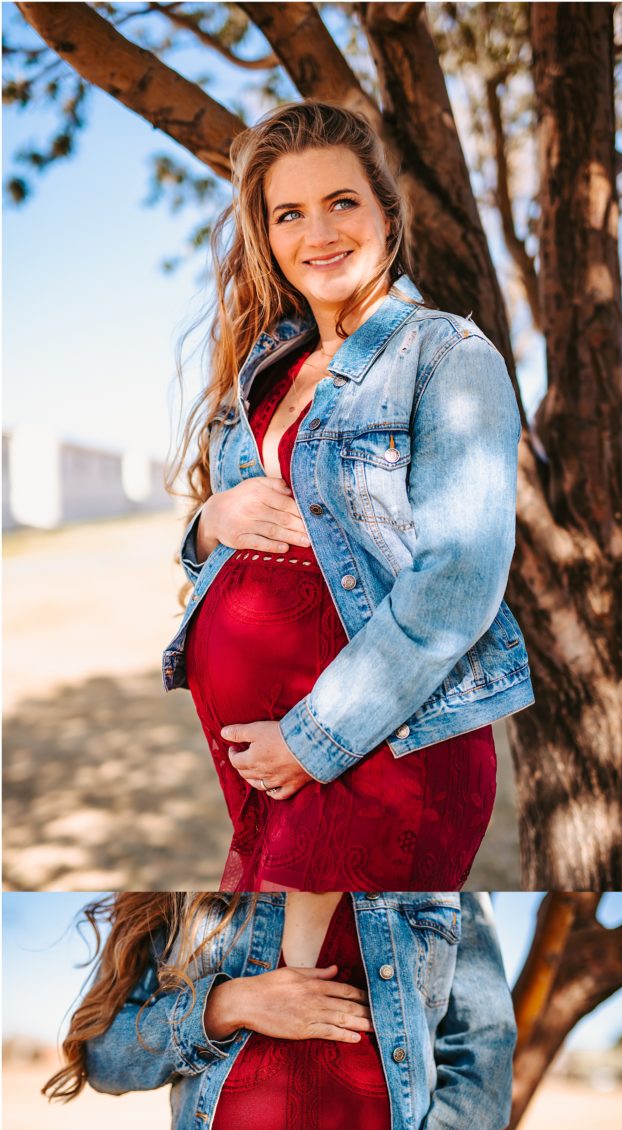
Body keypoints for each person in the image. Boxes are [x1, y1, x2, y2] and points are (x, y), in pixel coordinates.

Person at [163, 98, 533, 893]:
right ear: (268, 237)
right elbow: (227, 530)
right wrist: (208, 524)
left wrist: (315, 737)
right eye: (289, 213)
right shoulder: (268, 363)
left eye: (341, 203)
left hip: (376, 750)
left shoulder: (447, 355)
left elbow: (457, 587)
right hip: (265, 756)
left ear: (386, 216)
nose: (319, 234)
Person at [48, 887, 516, 1130]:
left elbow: (485, 1052)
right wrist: (225, 1005)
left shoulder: (444, 880)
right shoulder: (182, 893)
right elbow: (103, 1054)